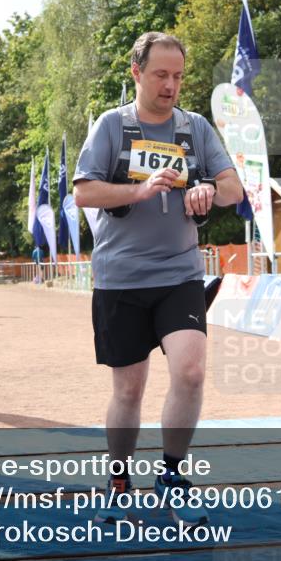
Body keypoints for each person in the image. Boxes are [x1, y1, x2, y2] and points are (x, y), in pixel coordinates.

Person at [73, 31, 242, 527]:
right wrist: (139, 191)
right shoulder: (111, 126)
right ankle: (119, 478)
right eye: (160, 75)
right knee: (129, 391)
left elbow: (233, 187)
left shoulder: (195, 130)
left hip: (179, 273)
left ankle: (171, 477)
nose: (171, 86)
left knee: (190, 371)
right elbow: (83, 193)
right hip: (120, 278)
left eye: (178, 76)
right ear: (137, 73)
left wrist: (208, 188)